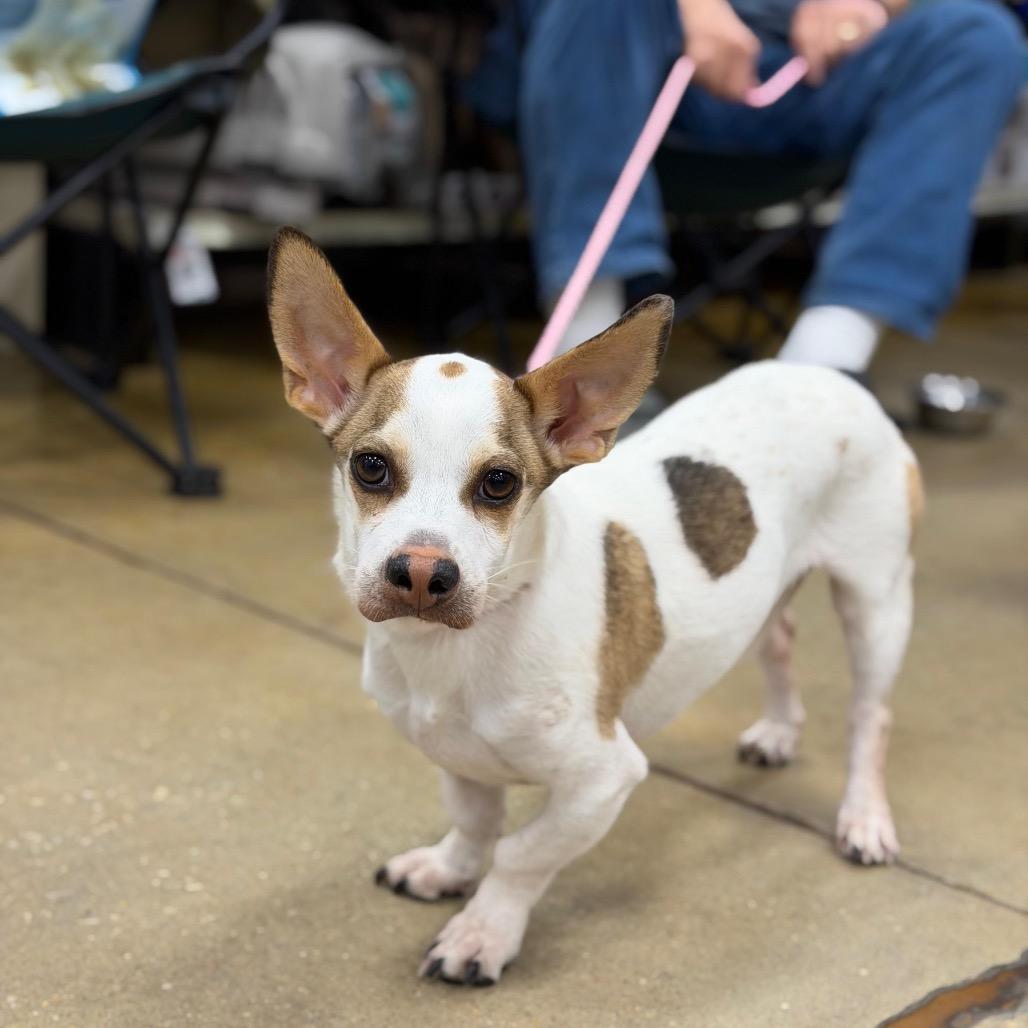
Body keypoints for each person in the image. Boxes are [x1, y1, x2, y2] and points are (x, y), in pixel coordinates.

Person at [467, 0, 1025, 375]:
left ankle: (823, 368)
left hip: (797, 75)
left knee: (980, 36)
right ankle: (592, 363)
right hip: (611, 62)